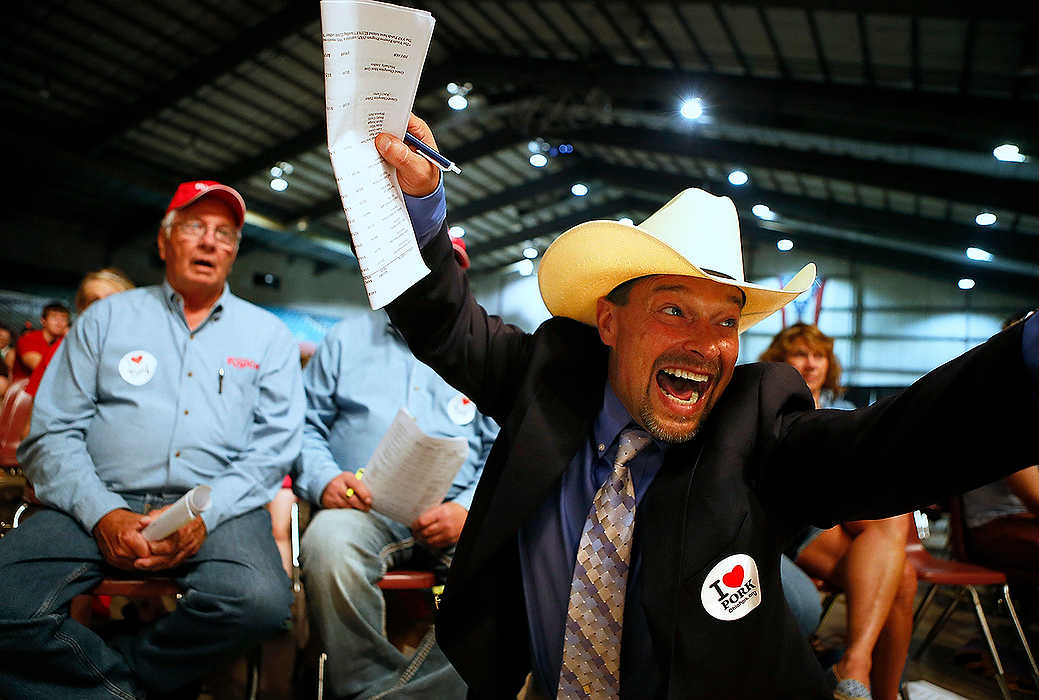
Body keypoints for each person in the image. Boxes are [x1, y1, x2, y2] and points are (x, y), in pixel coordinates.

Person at [361, 114, 1038, 700]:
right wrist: (419, 206)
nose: (705, 344)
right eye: (674, 310)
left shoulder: (756, 420)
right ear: (608, 322)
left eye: (724, 322)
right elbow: (440, 320)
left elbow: (886, 447)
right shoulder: (545, 379)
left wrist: (1027, 360)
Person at [0, 180, 304, 699]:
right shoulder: (105, 320)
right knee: (7, 602)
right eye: (194, 227)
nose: (209, 242)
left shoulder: (268, 336)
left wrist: (207, 514)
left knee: (259, 601)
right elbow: (51, 432)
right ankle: (129, 689)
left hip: (217, 509)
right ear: (165, 242)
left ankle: (128, 671)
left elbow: (274, 445)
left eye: (224, 233)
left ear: (233, 252)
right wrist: (102, 513)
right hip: (97, 495)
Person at [296, 249, 498, 698]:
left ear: (458, 280)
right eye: (420, 266)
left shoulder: (483, 351)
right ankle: (371, 689)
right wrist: (325, 479)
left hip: (456, 514)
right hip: (361, 506)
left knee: (504, 569)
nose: (431, 280)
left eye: (443, 269)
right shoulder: (344, 341)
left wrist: (468, 510)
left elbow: (505, 448)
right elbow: (306, 426)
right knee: (328, 544)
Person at [760, 323, 917, 700]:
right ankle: (865, 675)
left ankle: (865, 674)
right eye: (800, 354)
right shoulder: (768, 409)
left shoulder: (846, 411)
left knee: (903, 574)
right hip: (794, 521)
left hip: (844, 520)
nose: (811, 364)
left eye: (819, 355)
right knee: (901, 569)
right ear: (780, 361)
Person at [25, 268, 136, 398]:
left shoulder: (147, 347)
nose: (104, 306)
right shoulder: (64, 349)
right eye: (95, 301)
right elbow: (40, 408)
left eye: (113, 299)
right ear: (83, 309)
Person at [11, 301, 69, 381]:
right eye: (54, 318)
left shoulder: (66, 341)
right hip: (24, 385)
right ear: (43, 321)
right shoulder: (29, 339)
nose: (59, 323)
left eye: (64, 319)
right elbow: (41, 369)